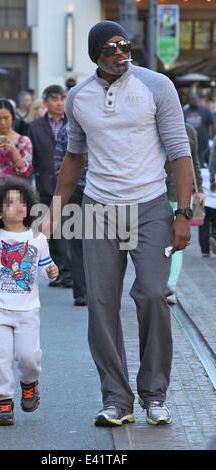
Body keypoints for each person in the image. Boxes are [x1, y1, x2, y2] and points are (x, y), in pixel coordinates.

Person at [37, 20, 193, 427]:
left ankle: (155, 395)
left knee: (153, 294)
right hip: (98, 209)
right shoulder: (78, 97)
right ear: (96, 55)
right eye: (112, 47)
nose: (122, 52)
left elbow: (179, 151)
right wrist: (54, 211)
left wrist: (184, 213)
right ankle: (116, 400)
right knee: (101, 305)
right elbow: (74, 157)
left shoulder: (157, 86)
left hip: (150, 207)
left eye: (125, 45)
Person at [0, 176, 58, 426]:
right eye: (8, 203)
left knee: (29, 356)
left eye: (20, 202)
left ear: (28, 206)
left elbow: (43, 268)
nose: (16, 207)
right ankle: (4, 400)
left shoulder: (37, 239)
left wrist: (50, 271)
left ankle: (29, 382)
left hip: (28, 309)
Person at [28, 85, 72, 288]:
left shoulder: (73, 124)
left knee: (67, 230)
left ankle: (69, 272)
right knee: (49, 231)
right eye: (54, 99)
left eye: (62, 98)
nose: (59, 103)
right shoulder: (35, 126)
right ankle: (61, 272)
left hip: (70, 186)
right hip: (44, 185)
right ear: (45, 102)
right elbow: (32, 159)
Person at [165, 123, 205, 304]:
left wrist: (199, 189)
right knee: (166, 241)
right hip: (162, 192)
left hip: (179, 194)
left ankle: (170, 286)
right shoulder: (154, 127)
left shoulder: (189, 131)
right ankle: (165, 285)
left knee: (177, 242)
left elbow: (194, 161)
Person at [54, 124, 88, 306]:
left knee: (103, 242)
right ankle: (81, 292)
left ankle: (100, 292)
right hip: (75, 190)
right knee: (77, 242)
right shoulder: (67, 129)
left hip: (102, 190)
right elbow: (59, 159)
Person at [183, 92, 215, 168]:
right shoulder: (184, 111)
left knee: (200, 166)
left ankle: (199, 179)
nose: (195, 100)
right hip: (189, 146)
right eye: (193, 99)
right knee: (191, 167)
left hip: (203, 145)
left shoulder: (205, 110)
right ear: (188, 101)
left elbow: (213, 123)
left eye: (196, 98)